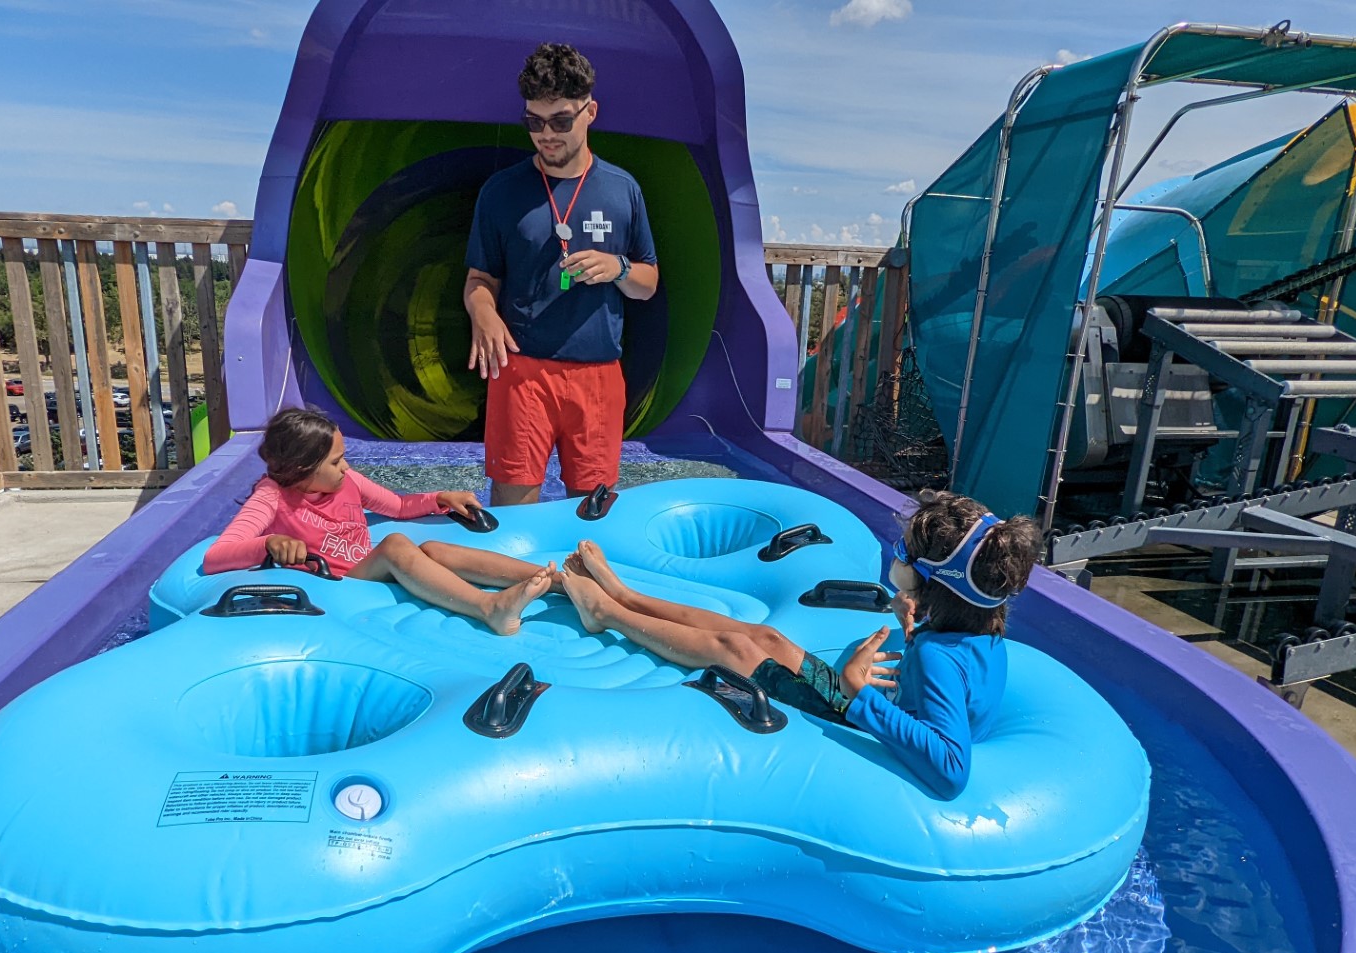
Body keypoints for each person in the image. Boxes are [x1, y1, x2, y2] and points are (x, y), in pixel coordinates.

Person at [558, 492, 1038, 798]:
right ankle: (627, 595)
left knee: (736, 648)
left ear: (934, 579)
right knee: (767, 637)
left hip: (859, 718)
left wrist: (858, 694)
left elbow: (952, 767)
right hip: (870, 705)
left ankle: (608, 613)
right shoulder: (977, 633)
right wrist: (910, 623)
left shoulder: (937, 656)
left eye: (903, 552)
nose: (897, 556)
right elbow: (950, 682)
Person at [463, 42, 660, 506]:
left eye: (560, 121)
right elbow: (479, 280)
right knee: (514, 514)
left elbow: (647, 284)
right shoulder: (501, 192)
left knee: (592, 513)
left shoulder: (622, 190)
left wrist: (619, 267)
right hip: (522, 373)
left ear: (590, 111)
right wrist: (483, 314)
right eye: (534, 122)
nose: (546, 135)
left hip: (598, 376)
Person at [203, 407, 556, 635]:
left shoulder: (349, 482)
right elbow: (216, 556)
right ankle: (488, 608)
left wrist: (438, 499)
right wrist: (268, 543)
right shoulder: (272, 497)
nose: (345, 467)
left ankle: (550, 580)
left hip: (366, 567)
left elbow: (398, 507)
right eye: (336, 462)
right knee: (395, 546)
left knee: (433, 548)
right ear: (301, 468)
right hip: (341, 582)